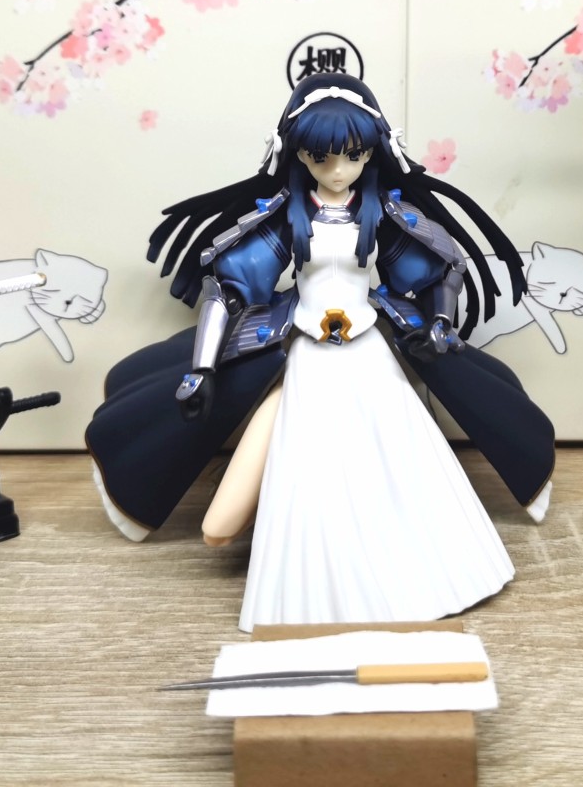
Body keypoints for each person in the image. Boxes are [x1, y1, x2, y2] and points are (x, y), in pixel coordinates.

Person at [85, 73, 557, 628]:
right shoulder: (288, 215)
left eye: (353, 156)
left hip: (369, 354)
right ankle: (310, 581)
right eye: (321, 157)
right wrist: (203, 367)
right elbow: (228, 289)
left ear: (374, 151)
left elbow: (438, 272)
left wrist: (439, 323)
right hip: (306, 353)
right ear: (297, 154)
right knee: (234, 515)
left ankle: (411, 573)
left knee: (402, 470)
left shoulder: (383, 213)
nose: (337, 171)